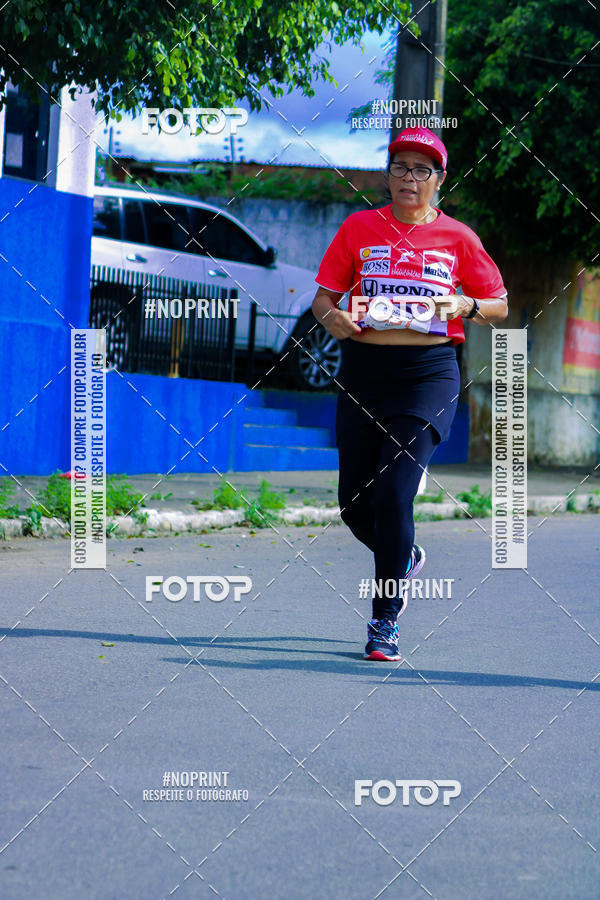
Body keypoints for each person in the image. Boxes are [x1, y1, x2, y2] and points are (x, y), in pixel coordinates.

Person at [312, 126, 508, 661]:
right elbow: (323, 299)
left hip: (428, 375)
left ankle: (384, 620)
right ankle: (406, 555)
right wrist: (332, 320)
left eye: (423, 170)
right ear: (388, 174)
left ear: (439, 179)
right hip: (364, 372)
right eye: (401, 166)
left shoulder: (458, 238)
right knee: (354, 506)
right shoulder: (358, 228)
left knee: (394, 494)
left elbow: (499, 305)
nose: (410, 178)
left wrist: (466, 305)